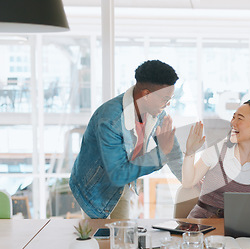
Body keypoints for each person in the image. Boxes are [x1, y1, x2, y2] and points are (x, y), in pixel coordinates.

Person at [70, 60, 183, 219]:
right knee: (105, 240)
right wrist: (161, 153)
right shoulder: (110, 120)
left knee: (123, 236)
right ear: (146, 95)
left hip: (123, 184)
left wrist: (190, 180)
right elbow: (118, 174)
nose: (168, 104)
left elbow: (173, 151)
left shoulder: (156, 112)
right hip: (94, 188)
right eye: (165, 99)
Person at [182, 99, 250, 218]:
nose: (233, 122)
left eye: (240, 118)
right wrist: (190, 153)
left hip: (238, 226)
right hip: (202, 223)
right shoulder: (218, 150)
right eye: (233, 117)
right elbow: (188, 183)